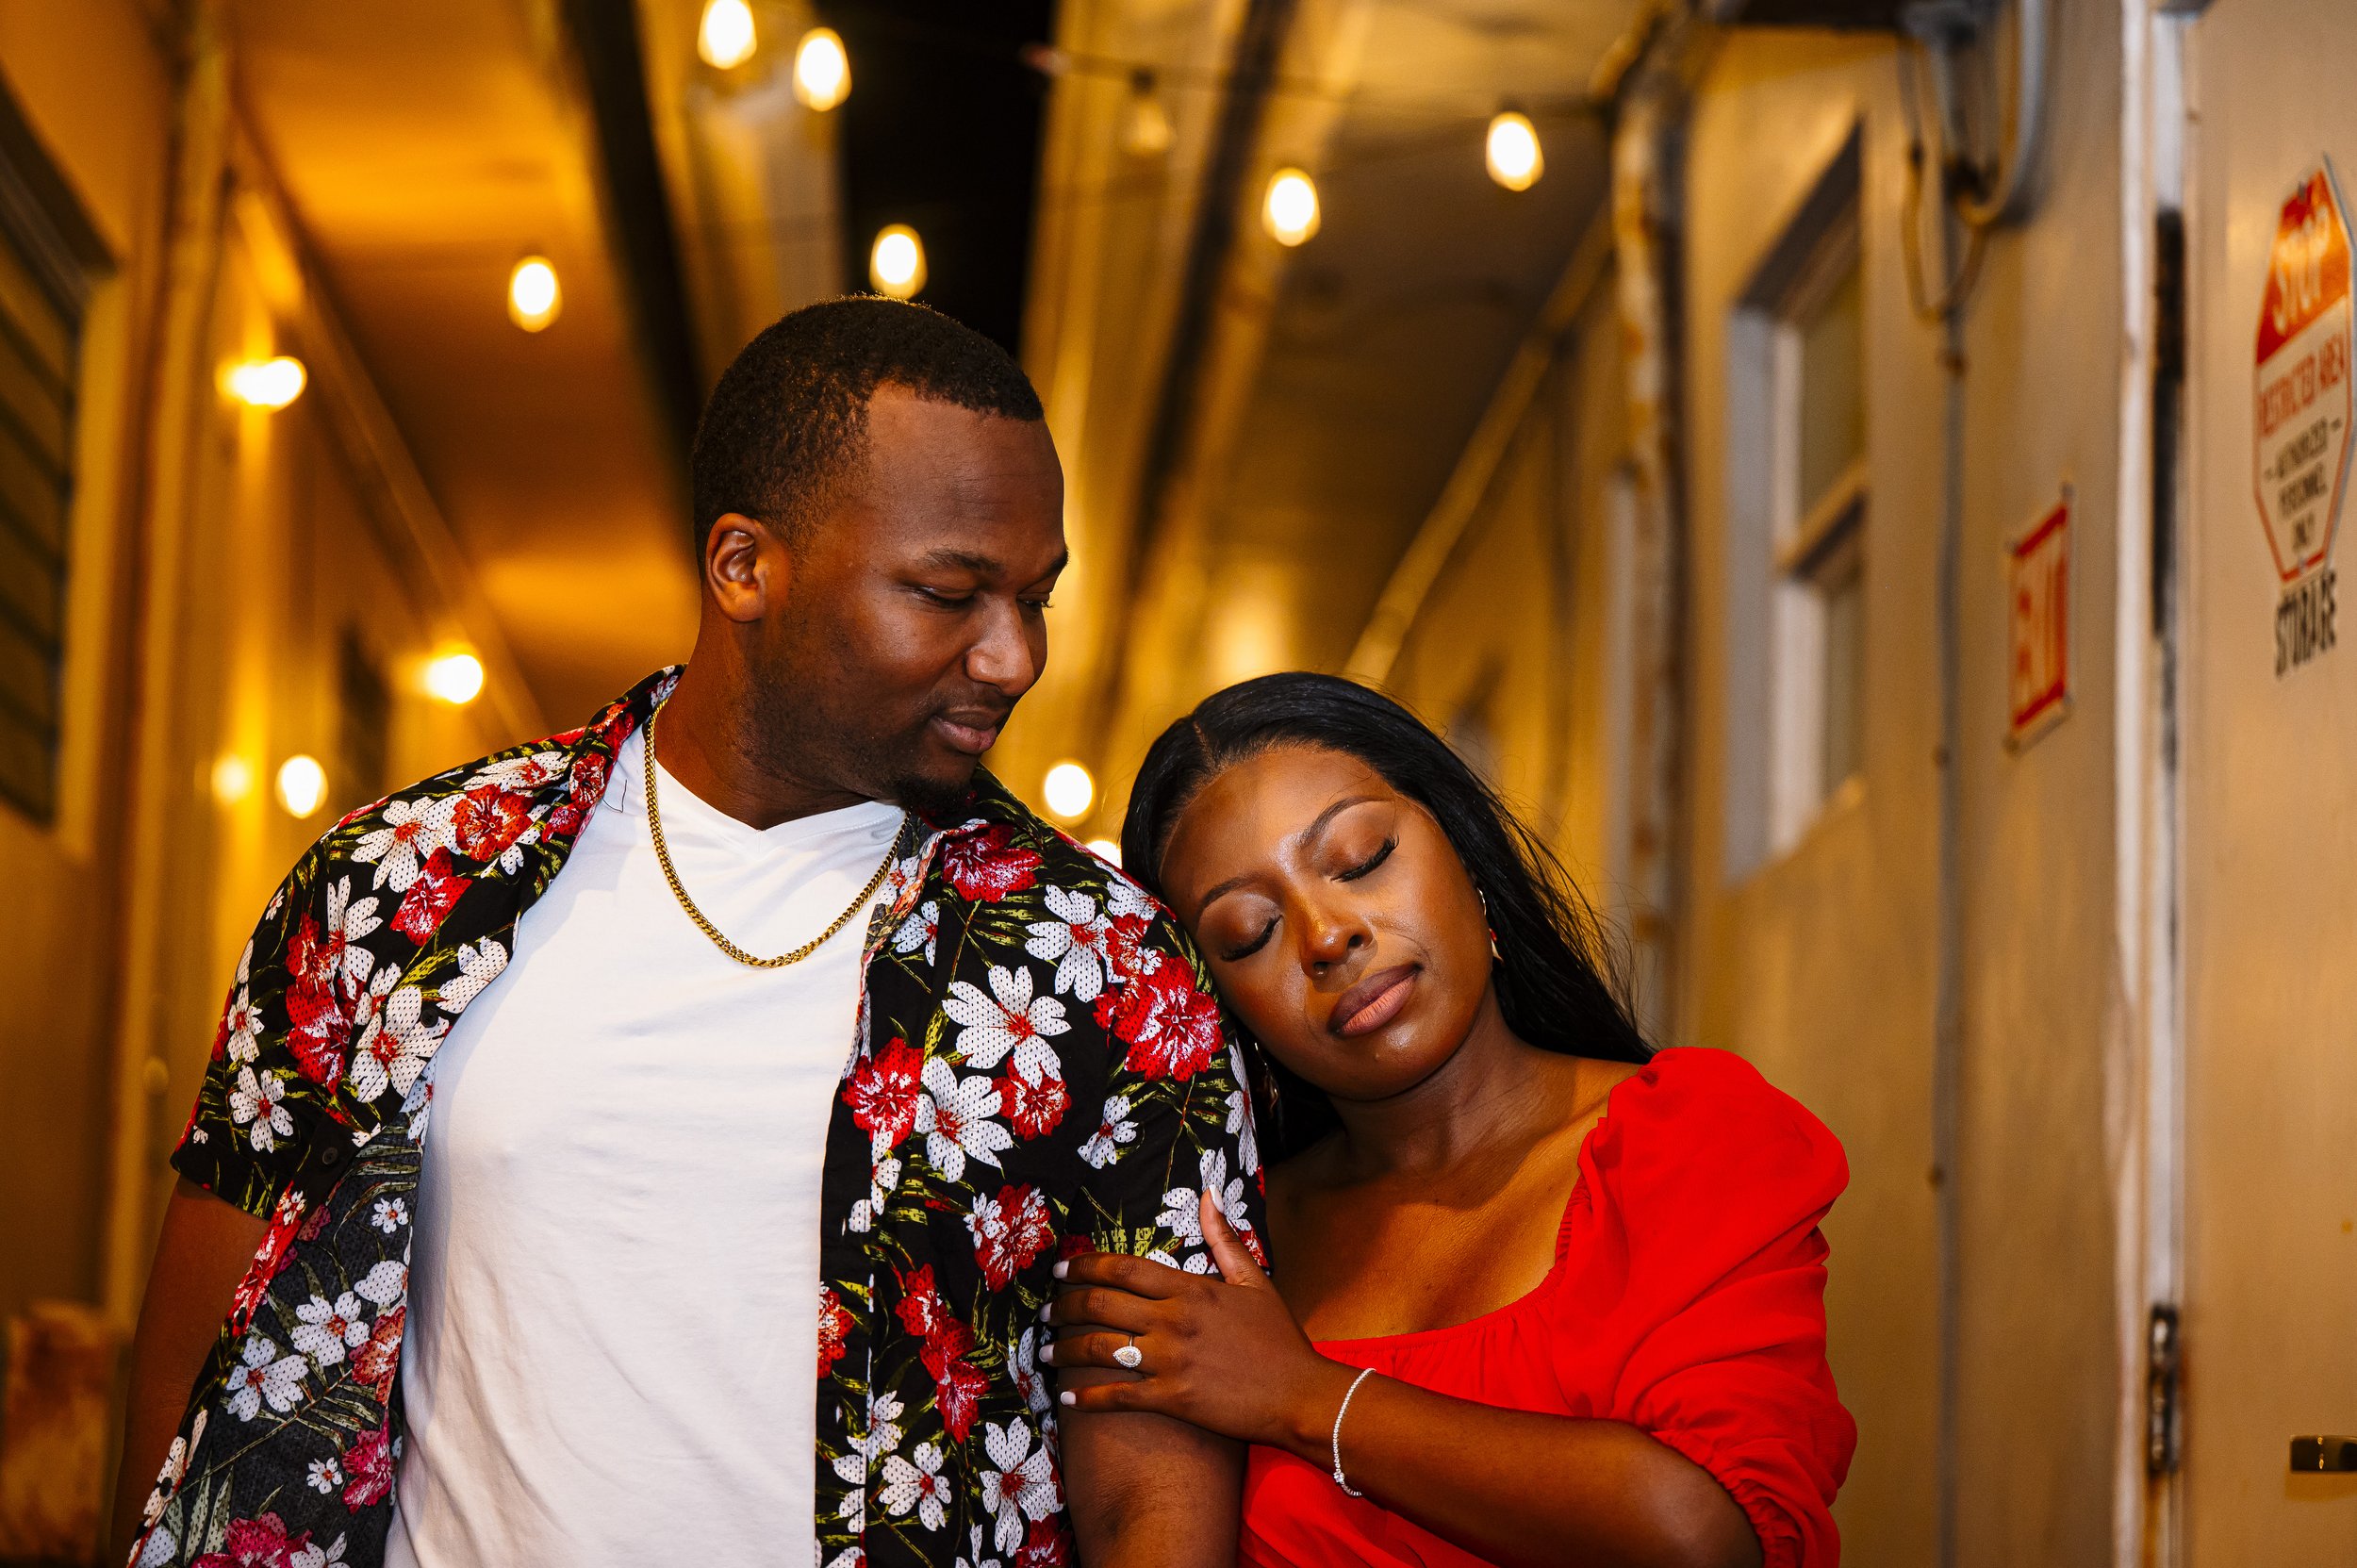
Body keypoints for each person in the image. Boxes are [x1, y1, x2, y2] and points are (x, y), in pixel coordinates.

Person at [109, 298, 1262, 1568]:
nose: (1013, 655)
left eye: (1036, 597)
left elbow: (1151, 1478)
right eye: (949, 592)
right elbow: (201, 1364)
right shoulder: (400, 887)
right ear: (744, 566)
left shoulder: (1099, 969)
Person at [1044, 672, 1854, 1568]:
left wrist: (1304, 1398)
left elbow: (1706, 1538)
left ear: (1466, 854)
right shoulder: (1220, 1237)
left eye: (1359, 859)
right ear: (1217, 1002)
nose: (1326, 935)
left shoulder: (1686, 1140)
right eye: (1249, 932)